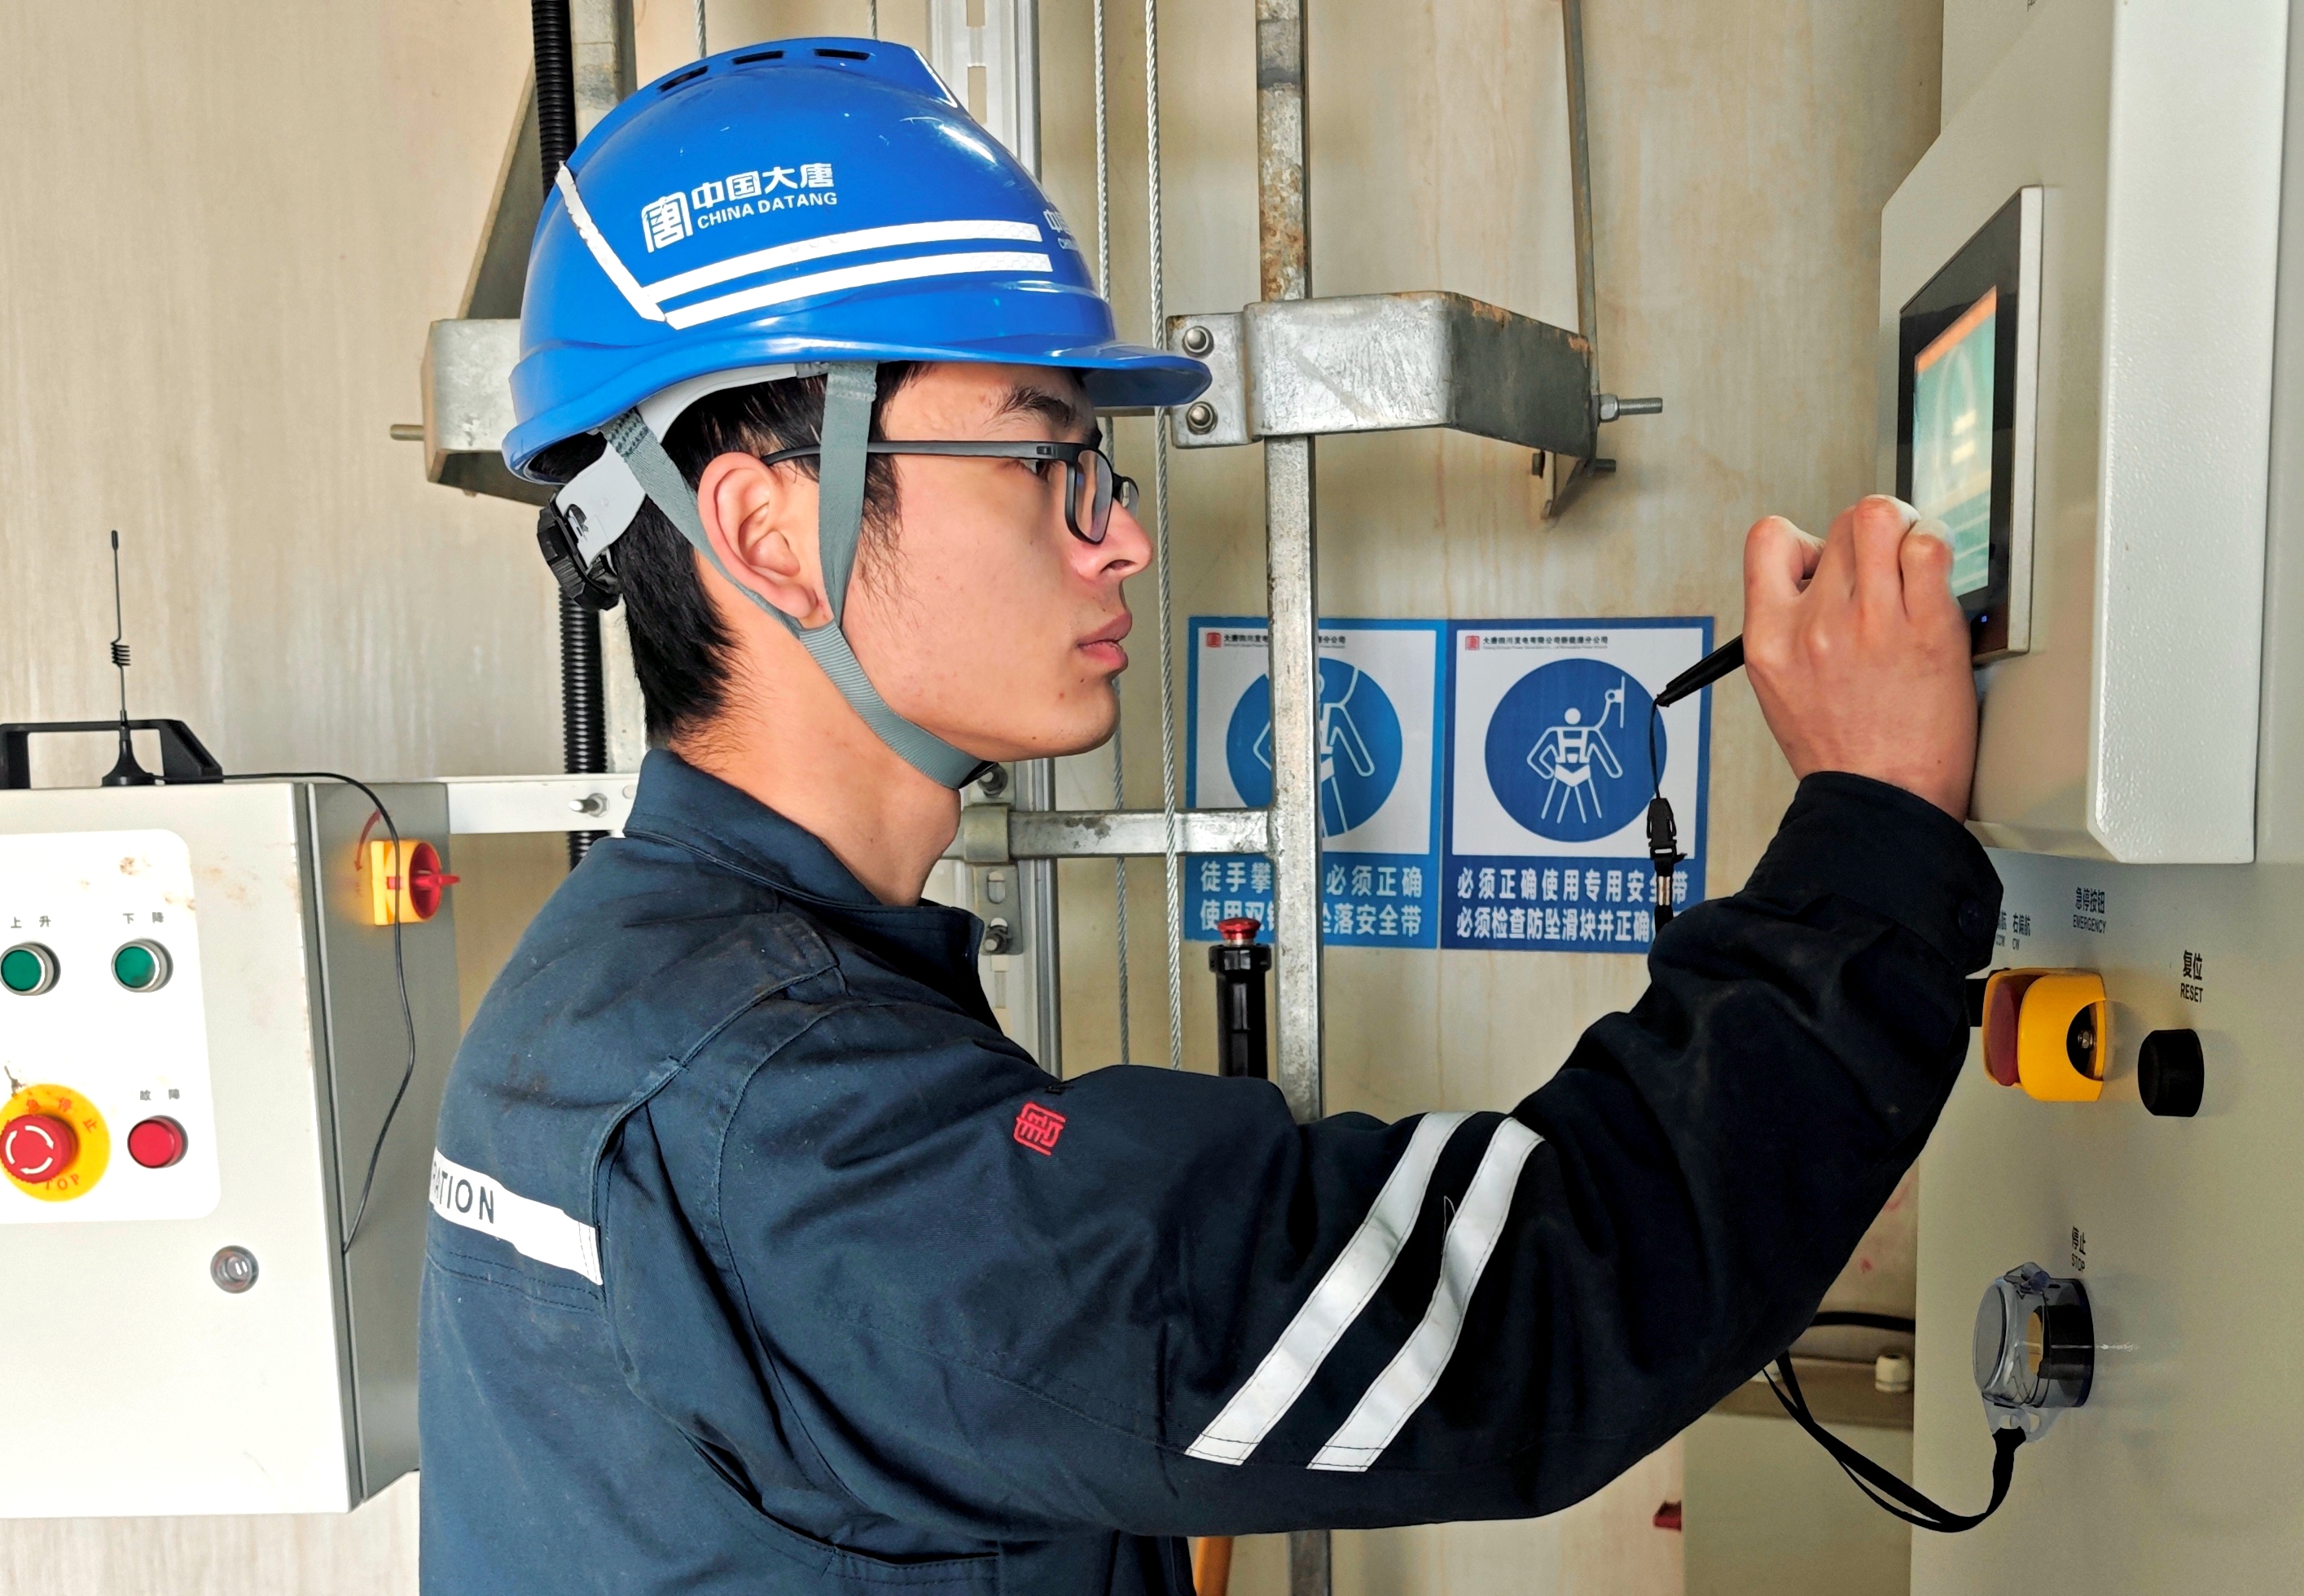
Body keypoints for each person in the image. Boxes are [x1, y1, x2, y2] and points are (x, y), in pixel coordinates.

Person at [419, 37, 1995, 1596]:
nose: (1120, 541)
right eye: (1045, 459)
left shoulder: (622, 981)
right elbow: (1521, 1317)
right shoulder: (793, 1116)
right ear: (773, 532)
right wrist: (1873, 829)